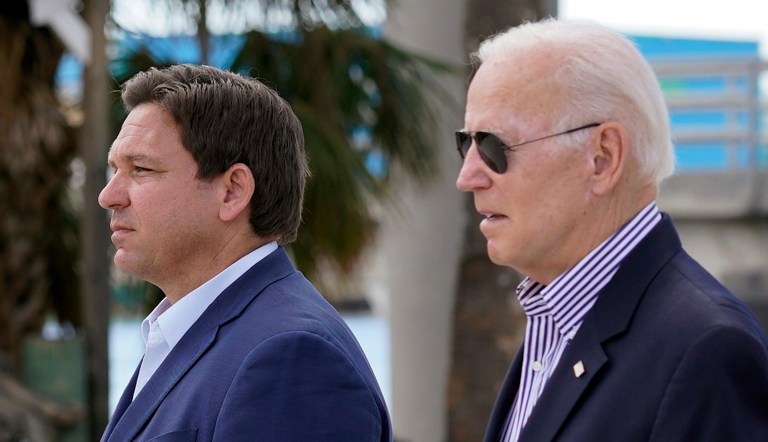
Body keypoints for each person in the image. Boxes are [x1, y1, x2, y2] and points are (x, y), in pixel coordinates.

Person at [455, 18, 768, 442]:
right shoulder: (554, 321)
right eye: (465, 143)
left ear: (602, 158)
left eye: (493, 146)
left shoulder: (707, 350)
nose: (468, 175)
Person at [99, 64, 391, 441]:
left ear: (233, 191)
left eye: (140, 169)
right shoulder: (202, 335)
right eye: (115, 170)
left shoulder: (292, 357)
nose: (108, 196)